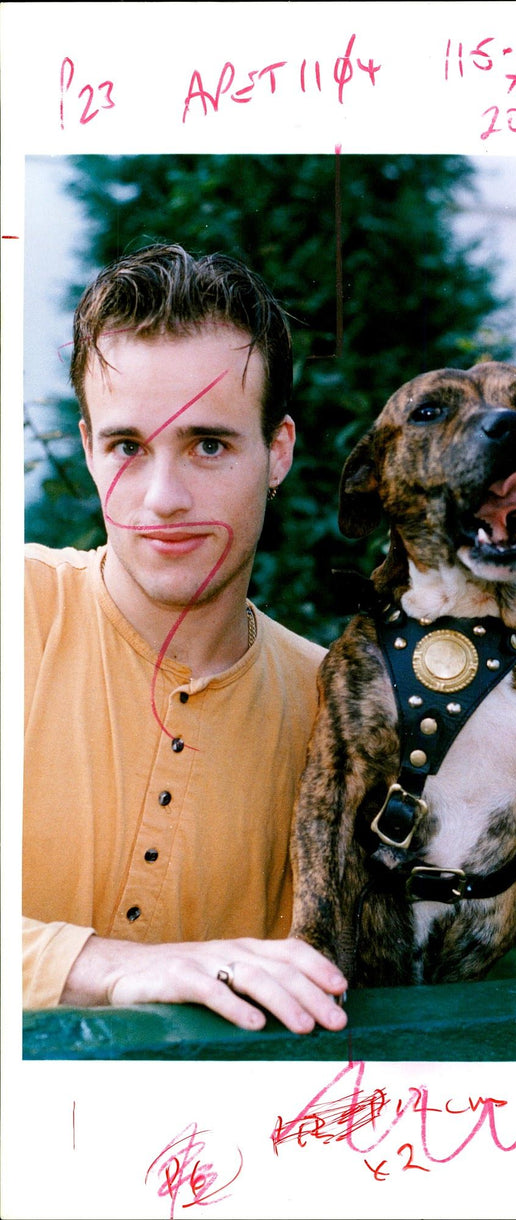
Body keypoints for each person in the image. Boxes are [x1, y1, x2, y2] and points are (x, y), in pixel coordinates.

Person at [23, 244, 348, 1035]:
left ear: (278, 451)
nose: (163, 499)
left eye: (209, 444)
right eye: (128, 446)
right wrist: (112, 966)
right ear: (91, 449)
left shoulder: (332, 705)